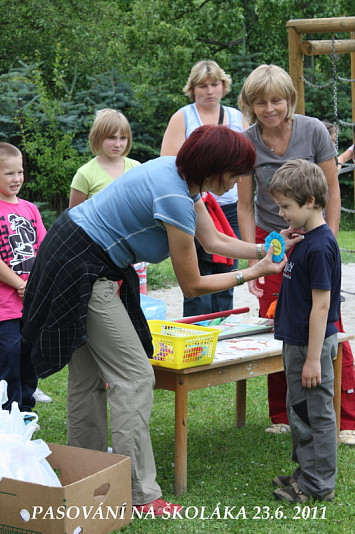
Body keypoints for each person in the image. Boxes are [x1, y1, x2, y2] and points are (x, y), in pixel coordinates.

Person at [22, 125, 301, 514]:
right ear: (214, 167)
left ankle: (84, 472)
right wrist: (252, 273)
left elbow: (213, 241)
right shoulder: (174, 196)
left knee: (88, 376)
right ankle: (140, 496)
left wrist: (263, 249)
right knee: (134, 376)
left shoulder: (179, 174)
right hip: (81, 265)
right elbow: (192, 284)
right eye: (235, 172)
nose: (238, 180)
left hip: (71, 250)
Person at [237, 64, 355, 444]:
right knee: (278, 321)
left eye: (277, 100)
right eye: (260, 102)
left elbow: (332, 191)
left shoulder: (313, 130)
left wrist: (328, 240)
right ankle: (282, 413)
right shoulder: (247, 141)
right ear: (250, 104)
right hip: (272, 239)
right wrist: (254, 261)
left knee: (326, 316)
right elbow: (243, 205)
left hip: (315, 233)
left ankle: (348, 418)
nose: (269, 108)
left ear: (289, 100)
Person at [67, 108, 140, 458]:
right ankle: (92, 454)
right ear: (98, 138)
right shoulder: (86, 174)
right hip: (92, 271)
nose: (118, 143)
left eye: (123, 137)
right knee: (109, 372)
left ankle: (94, 457)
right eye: (111, 137)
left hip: (127, 267)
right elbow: (73, 221)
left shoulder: (136, 169)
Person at [270, 159, 340, 503]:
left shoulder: (321, 246)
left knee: (316, 415)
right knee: (300, 411)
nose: (282, 213)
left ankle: (317, 485)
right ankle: (305, 472)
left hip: (310, 347)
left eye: (286, 206)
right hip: (296, 343)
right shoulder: (305, 240)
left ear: (310, 200)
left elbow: (322, 306)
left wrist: (314, 359)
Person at [161, 60, 248, 316]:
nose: (209, 91)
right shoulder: (183, 117)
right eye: (203, 85)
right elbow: (168, 163)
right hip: (194, 204)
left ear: (224, 86)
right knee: (198, 272)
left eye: (214, 84)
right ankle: (197, 334)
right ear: (193, 88)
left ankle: (224, 333)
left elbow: (246, 162)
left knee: (228, 273)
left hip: (230, 205)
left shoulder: (235, 116)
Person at [0, 142, 46, 413]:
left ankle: (27, 412)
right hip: (5, 308)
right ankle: (8, 414)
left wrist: (35, 285)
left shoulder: (30, 209)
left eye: (20, 172)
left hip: (30, 303)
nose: (17, 178)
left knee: (29, 359)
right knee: (8, 358)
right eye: (9, 173)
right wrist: (19, 284)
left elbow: (45, 248)